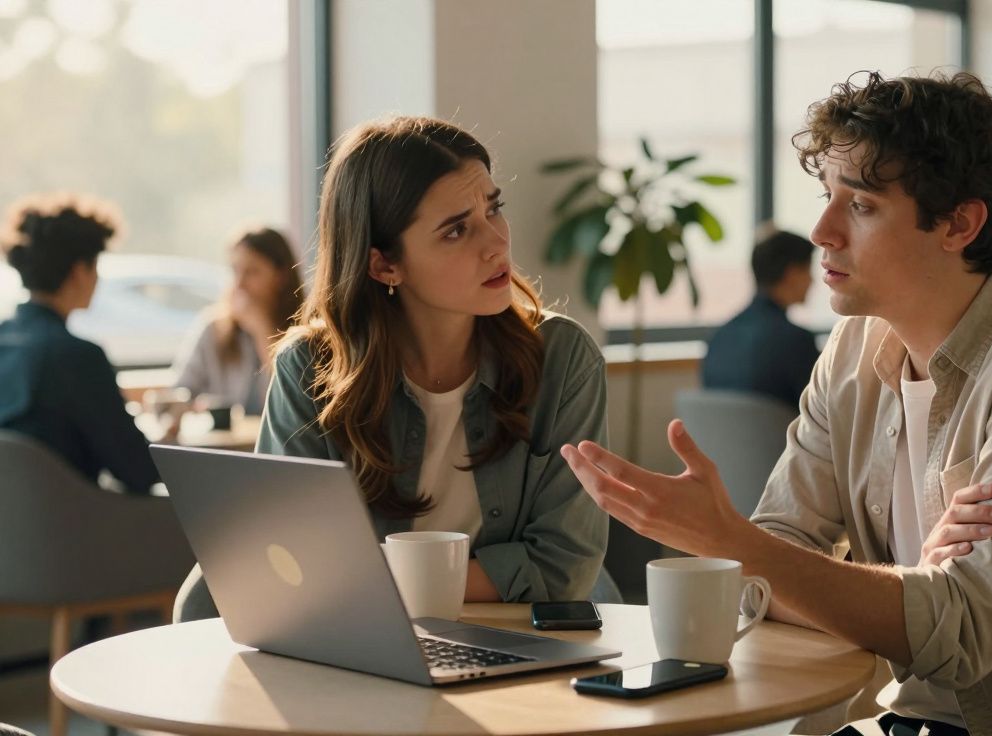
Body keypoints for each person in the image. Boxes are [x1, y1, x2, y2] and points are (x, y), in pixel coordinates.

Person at [561, 71, 992, 735]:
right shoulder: (854, 349)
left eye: (861, 206)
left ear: (960, 223)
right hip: (905, 722)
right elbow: (767, 572)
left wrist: (735, 544)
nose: (822, 231)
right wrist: (910, 582)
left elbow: (961, 632)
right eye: (828, 196)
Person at [176, 116, 609, 620]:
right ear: (384, 265)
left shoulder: (563, 358)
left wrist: (367, 578)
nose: (496, 244)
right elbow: (289, 565)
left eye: (494, 209)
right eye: (456, 230)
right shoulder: (309, 370)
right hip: (363, 639)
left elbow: (564, 567)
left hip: (523, 640)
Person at [0, 194, 158, 493]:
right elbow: (138, 470)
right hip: (72, 529)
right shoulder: (76, 357)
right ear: (78, 271)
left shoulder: (6, 340)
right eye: (95, 266)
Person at [172, 227, 303, 415]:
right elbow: (182, 389)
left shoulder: (305, 332)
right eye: (235, 270)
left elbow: (294, 400)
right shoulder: (213, 328)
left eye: (252, 272)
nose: (239, 283)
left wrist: (262, 329)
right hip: (224, 444)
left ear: (281, 276)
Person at [701, 227, 820, 407]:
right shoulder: (796, 341)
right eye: (807, 270)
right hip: (781, 436)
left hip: (721, 436)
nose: (812, 281)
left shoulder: (719, 338)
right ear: (791, 274)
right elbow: (823, 414)